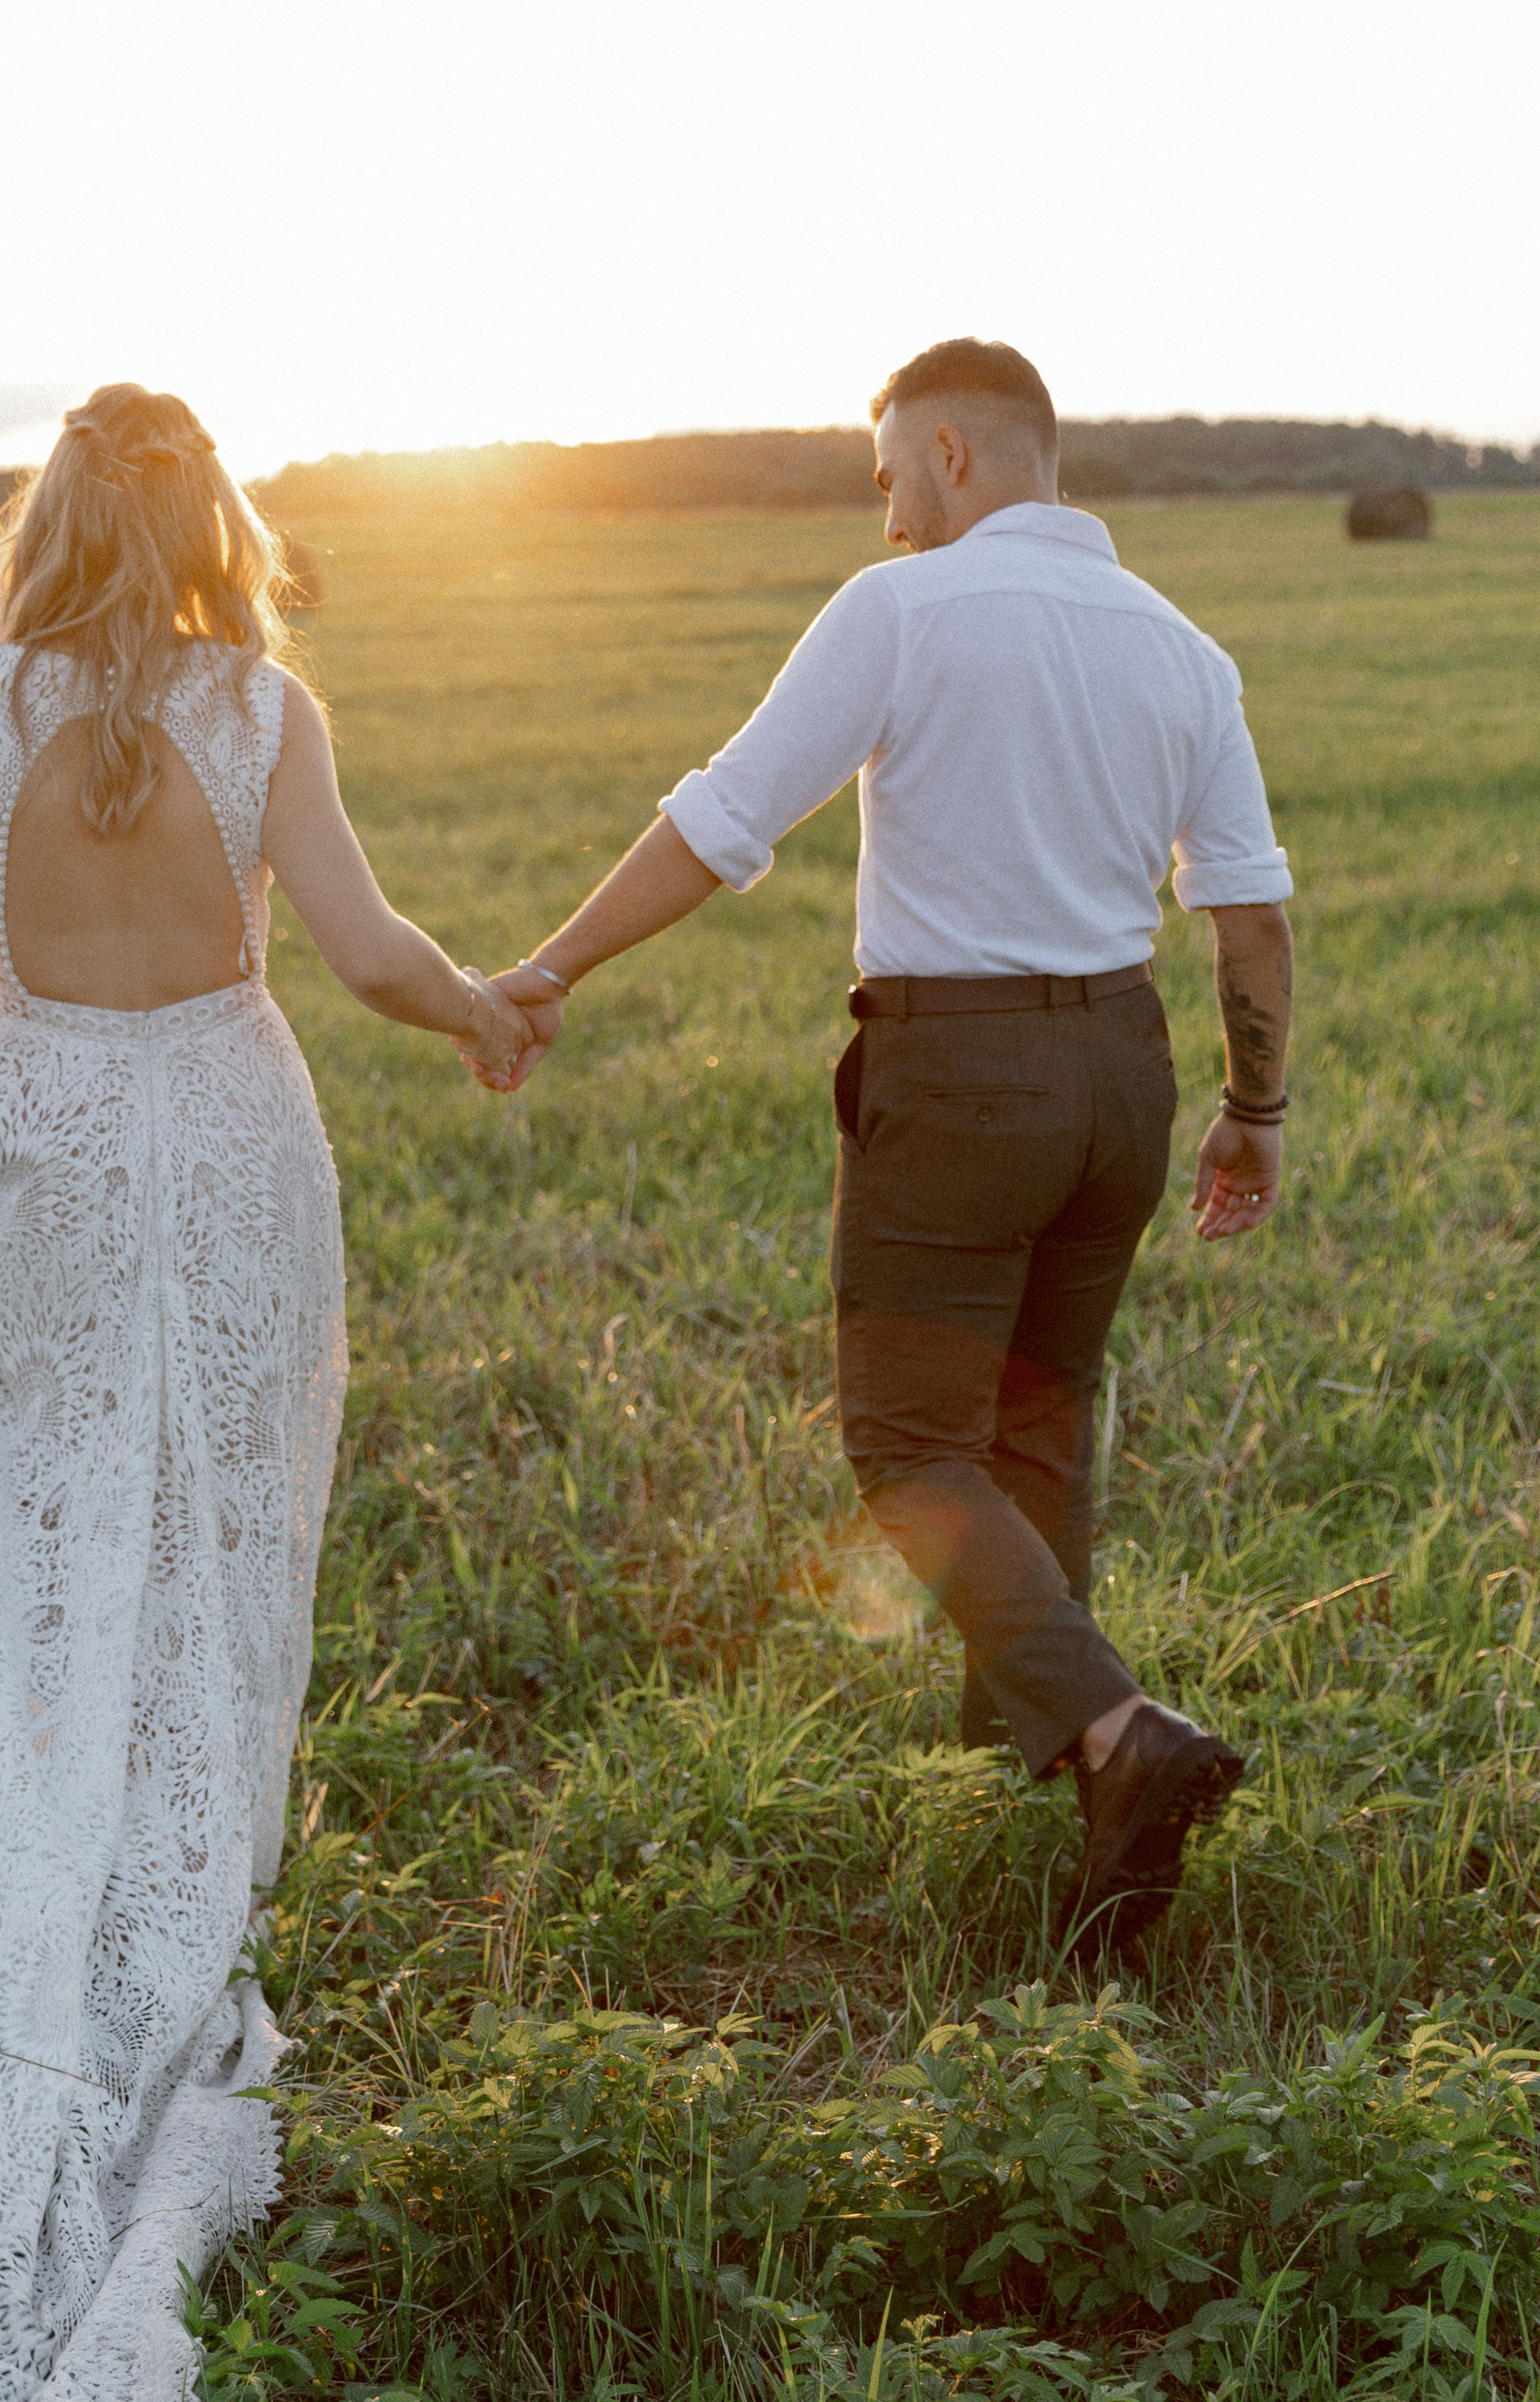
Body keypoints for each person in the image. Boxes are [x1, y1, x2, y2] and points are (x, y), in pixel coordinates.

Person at [0, 384, 529, 2400]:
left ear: (44, 520)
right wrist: (480, 1008)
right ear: (211, 525)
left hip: (39, 1143)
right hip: (233, 1144)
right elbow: (366, 950)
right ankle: (173, 1882)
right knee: (213, 1533)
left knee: (38, 1524)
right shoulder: (263, 710)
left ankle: (35, 1859)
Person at [481, 339, 1292, 1961]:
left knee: (911, 1447)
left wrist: (551, 966)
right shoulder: (1183, 648)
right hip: (1124, 1073)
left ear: (951, 451)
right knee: (1036, 1417)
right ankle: (1036, 1777)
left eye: (888, 479)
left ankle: (1120, 1736)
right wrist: (1252, 1110)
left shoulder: (903, 612)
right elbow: (1249, 916)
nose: (888, 517)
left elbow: (724, 819)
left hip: (959, 1077)